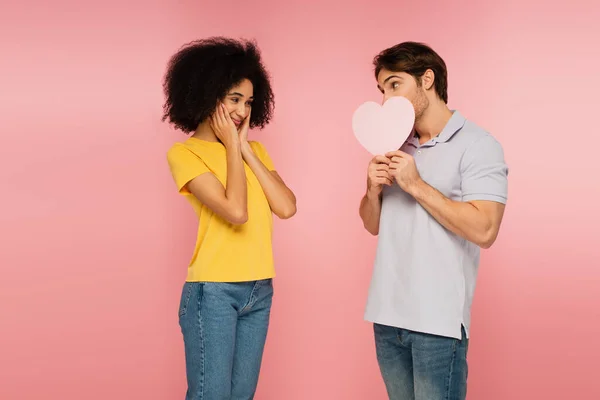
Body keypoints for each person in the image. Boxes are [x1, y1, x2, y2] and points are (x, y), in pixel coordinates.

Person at [359, 41, 509, 400]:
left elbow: (485, 230)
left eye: (394, 85)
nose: (386, 101)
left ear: (427, 79)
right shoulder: (395, 144)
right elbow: (371, 224)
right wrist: (371, 192)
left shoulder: (478, 144)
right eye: (382, 90)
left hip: (437, 323)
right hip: (386, 315)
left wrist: (416, 185)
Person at [162, 37, 297, 400]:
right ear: (206, 93)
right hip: (214, 292)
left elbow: (286, 207)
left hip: (259, 289)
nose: (241, 110)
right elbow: (236, 212)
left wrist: (245, 150)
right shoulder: (185, 153)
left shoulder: (256, 150)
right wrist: (234, 149)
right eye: (234, 99)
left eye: (249, 101)